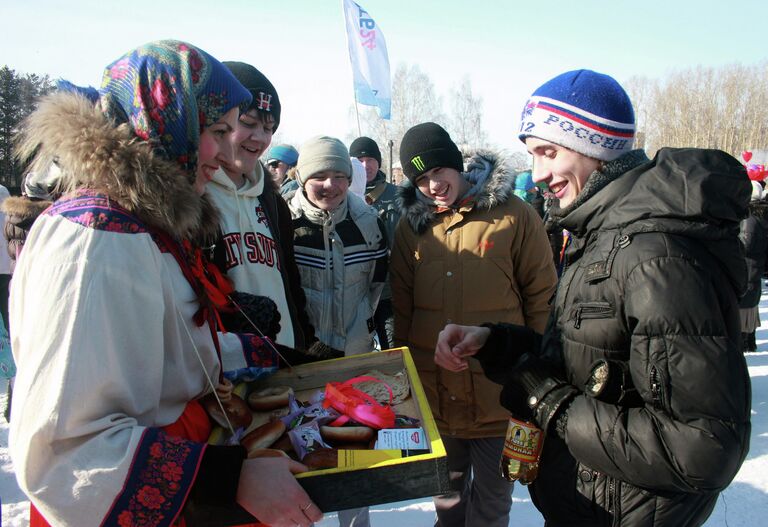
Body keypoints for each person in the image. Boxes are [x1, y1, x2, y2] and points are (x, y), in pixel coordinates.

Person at [9, 40, 322, 527]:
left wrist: (283, 360)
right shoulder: (95, 240)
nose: (224, 150)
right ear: (166, 122)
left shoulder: (139, 224)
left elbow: (170, 354)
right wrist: (224, 479)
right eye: (216, 130)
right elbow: (65, 453)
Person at [435, 69, 751, 527]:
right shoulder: (599, 233)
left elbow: (703, 447)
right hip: (588, 502)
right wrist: (495, 343)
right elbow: (596, 360)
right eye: (531, 155)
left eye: (548, 152)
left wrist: (549, 403)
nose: (538, 173)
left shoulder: (656, 257)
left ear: (596, 149)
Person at [390, 122, 557, 527]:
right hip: (437, 393)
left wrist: (537, 368)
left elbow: (542, 297)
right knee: (446, 503)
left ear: (455, 163)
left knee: (492, 505)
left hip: (499, 394)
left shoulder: (514, 215)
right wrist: (406, 379)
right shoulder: (412, 229)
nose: (433, 186)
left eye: (438, 172)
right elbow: (404, 309)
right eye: (422, 179)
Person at [288, 136, 389, 527]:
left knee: (353, 458)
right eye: (319, 177)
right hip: (300, 364)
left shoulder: (369, 224)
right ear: (302, 179)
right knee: (301, 457)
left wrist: (373, 332)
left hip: (353, 361)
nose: (330, 185)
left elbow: (380, 288)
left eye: (338, 176)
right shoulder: (284, 223)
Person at [206, 61, 333, 363]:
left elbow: (290, 283)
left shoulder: (272, 202)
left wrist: (305, 343)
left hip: (281, 360)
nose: (260, 138)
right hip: (226, 372)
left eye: (268, 128)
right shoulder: (194, 198)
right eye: (248, 123)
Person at [349, 136, 400, 350]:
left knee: (393, 347)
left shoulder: (397, 196)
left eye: (370, 159)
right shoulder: (342, 196)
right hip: (356, 292)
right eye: (359, 159)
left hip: (388, 289)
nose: (365, 165)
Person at [739, 180, 768, 352]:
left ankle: (745, 343)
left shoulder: (750, 217)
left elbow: (746, 243)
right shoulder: (758, 215)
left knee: (744, 308)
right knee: (749, 307)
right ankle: (749, 341)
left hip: (748, 268)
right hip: (753, 268)